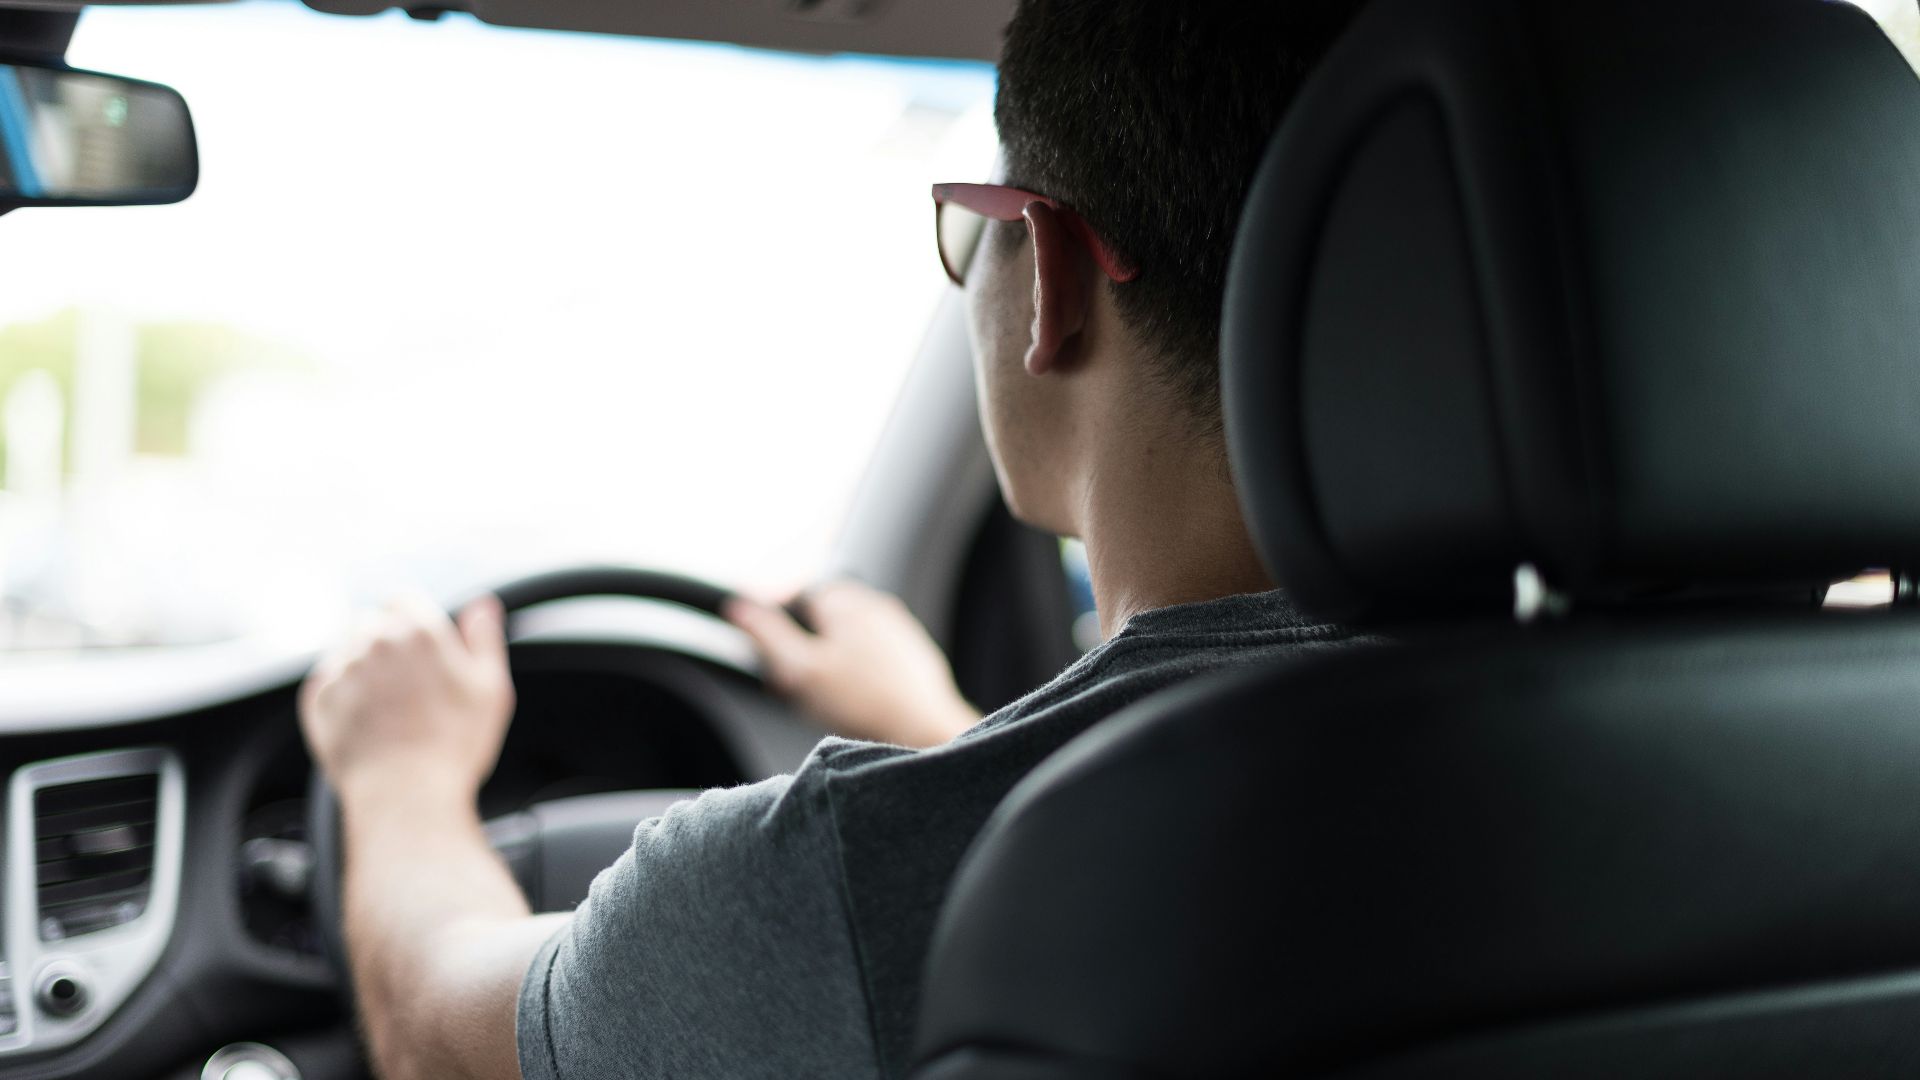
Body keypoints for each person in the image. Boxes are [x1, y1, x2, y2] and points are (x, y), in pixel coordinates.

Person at [295, 3, 1368, 1078]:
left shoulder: (836, 871)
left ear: (1050, 272)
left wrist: (400, 779)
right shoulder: (1517, 728)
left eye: (967, 223)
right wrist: (940, 731)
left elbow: (433, 1031)